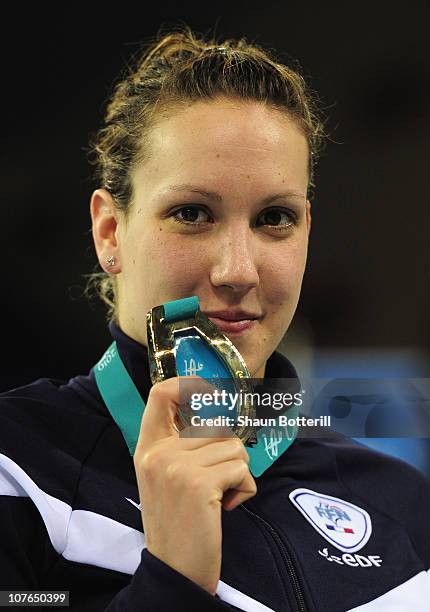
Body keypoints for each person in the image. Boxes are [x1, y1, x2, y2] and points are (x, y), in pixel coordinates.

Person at [1, 27, 429, 612]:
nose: (237, 271)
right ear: (110, 233)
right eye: (192, 213)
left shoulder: (404, 505)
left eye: (275, 217)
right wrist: (172, 581)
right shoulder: (17, 471)